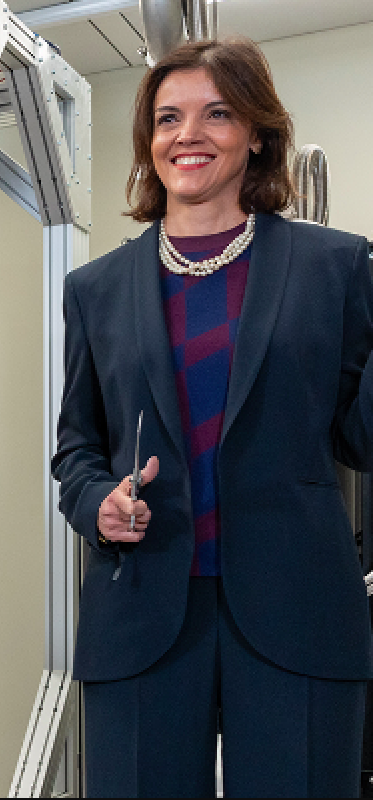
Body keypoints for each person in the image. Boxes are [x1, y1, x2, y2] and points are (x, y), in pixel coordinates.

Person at [54, 37, 372, 797]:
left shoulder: (336, 266)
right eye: (168, 119)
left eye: (216, 113)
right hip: (141, 613)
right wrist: (100, 504)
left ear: (257, 132)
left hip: (299, 609)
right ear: (149, 141)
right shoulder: (95, 289)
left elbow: (360, 440)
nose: (186, 135)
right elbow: (76, 450)